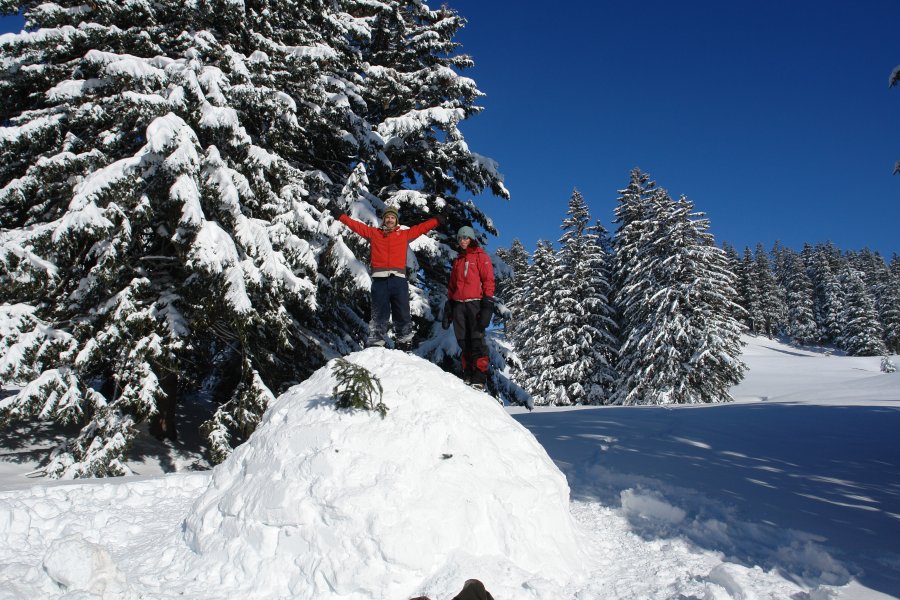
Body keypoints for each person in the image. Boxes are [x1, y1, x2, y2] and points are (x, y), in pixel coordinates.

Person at [334, 205, 442, 348]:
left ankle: (404, 341)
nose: (390, 220)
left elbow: (421, 228)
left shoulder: (404, 235)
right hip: (380, 280)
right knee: (379, 311)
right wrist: (341, 216)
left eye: (392, 217)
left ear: (396, 220)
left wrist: (437, 221)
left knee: (402, 311)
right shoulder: (374, 233)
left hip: (398, 280)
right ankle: (377, 341)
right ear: (384, 220)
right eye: (387, 217)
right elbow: (356, 226)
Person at [442, 226, 495, 390]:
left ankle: (479, 376)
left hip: (475, 303)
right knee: (463, 341)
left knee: (476, 340)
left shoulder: (481, 257)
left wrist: (487, 303)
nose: (462, 241)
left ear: (471, 239)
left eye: (465, 238)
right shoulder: (458, 260)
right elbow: (452, 285)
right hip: (459, 305)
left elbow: (488, 280)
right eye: (460, 238)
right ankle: (468, 373)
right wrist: (449, 305)